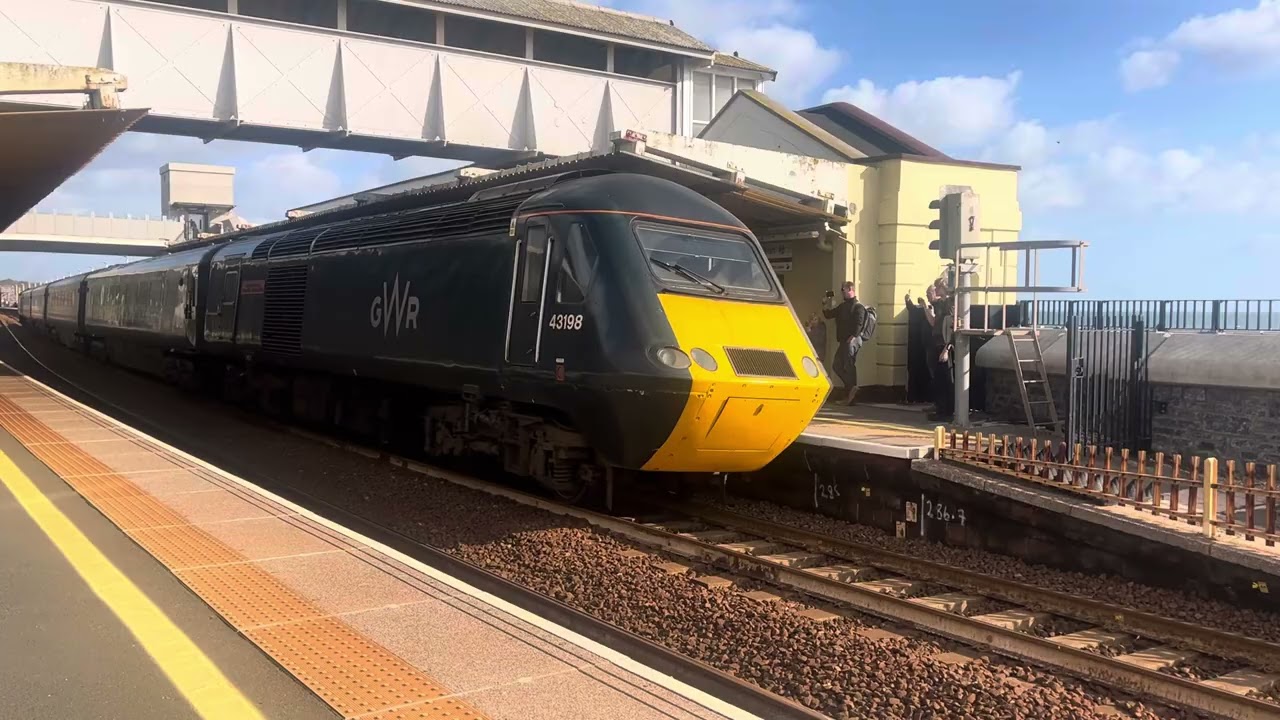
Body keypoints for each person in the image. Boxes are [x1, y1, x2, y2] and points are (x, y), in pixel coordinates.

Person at [822, 281, 866, 405]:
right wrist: (825, 303)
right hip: (843, 341)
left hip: (851, 341)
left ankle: (851, 395)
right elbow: (828, 315)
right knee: (837, 365)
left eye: (843, 290)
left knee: (849, 366)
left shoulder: (858, 306)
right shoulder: (843, 306)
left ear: (850, 289)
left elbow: (859, 323)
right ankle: (852, 389)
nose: (841, 292)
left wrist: (853, 337)